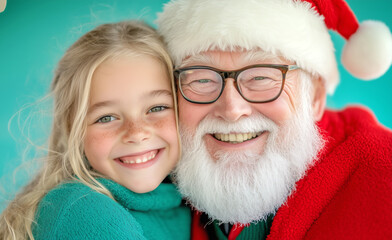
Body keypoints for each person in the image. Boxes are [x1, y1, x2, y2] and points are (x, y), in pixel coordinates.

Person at [157, 0, 392, 239]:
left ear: (315, 98)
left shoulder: (383, 179)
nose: (231, 109)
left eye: (261, 77)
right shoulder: (152, 173)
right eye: (202, 79)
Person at [0, 20, 190, 240]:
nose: (136, 133)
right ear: (74, 130)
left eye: (157, 108)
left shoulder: (193, 206)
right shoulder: (85, 212)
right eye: (106, 117)